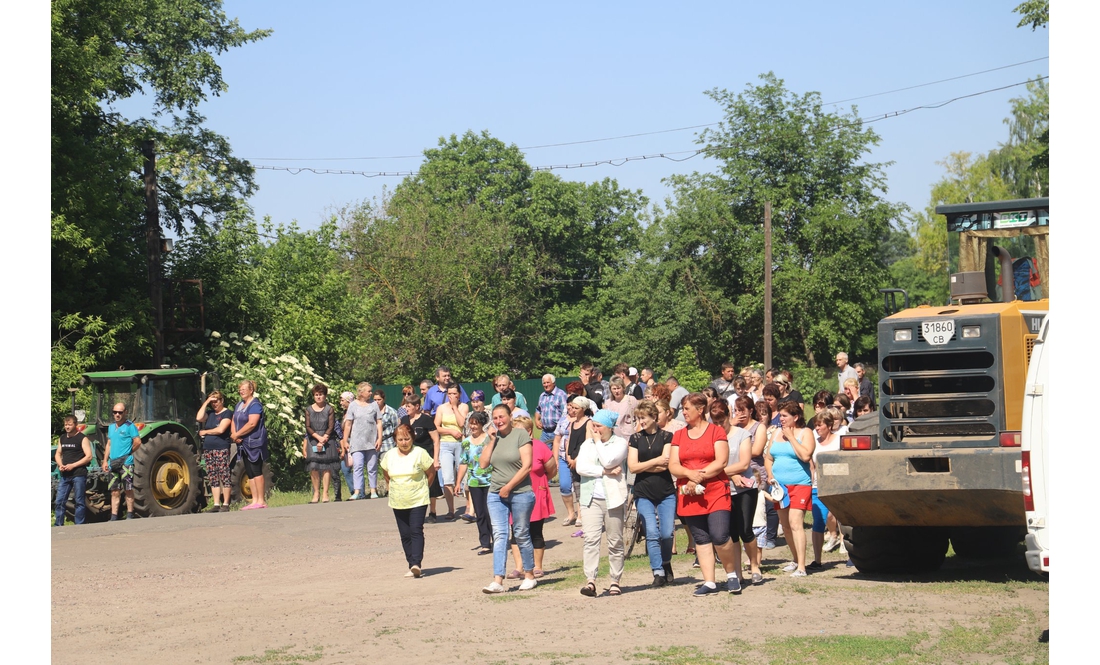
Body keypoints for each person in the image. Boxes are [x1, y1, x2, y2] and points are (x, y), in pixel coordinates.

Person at [668, 393, 740, 595]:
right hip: (690, 492)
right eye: (682, 408)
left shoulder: (716, 432)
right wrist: (688, 475)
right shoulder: (679, 435)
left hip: (715, 490)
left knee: (720, 535)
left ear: (700, 410)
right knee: (701, 537)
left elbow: (721, 462)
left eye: (687, 408)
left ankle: (732, 574)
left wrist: (697, 477)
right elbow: (673, 464)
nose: (683, 412)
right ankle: (709, 581)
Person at [480, 404, 538, 594]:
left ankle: (529, 575)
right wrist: (491, 441)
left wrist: (509, 487)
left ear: (509, 416)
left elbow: (527, 466)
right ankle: (498, 580)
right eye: (495, 418)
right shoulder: (494, 439)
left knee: (521, 532)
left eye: (501, 417)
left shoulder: (520, 435)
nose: (498, 421)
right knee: (499, 535)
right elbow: (483, 464)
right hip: (496, 494)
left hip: (520, 492)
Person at [576, 409, 629, 597]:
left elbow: (608, 460)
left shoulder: (620, 443)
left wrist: (598, 442)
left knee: (615, 541)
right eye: (593, 426)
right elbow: (581, 467)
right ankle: (590, 580)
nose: (595, 429)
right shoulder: (586, 445)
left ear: (609, 427)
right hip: (590, 499)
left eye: (598, 426)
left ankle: (615, 580)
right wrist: (604, 472)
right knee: (591, 539)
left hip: (613, 499)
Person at [627, 401, 676, 587]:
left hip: (665, 491)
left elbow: (666, 464)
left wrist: (644, 466)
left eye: (643, 418)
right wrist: (655, 461)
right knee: (652, 533)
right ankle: (657, 572)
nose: (640, 422)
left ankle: (665, 563)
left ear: (654, 417)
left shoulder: (667, 436)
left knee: (666, 533)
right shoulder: (635, 439)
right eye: (638, 418)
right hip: (643, 492)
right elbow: (632, 467)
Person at [765, 402, 815, 576]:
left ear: (796, 417)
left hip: (800, 484)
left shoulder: (806, 432)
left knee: (795, 523)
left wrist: (791, 437)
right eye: (780, 415)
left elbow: (805, 455)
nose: (781, 419)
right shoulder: (776, 433)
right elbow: (768, 457)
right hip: (780, 487)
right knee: (785, 525)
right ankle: (795, 559)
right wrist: (770, 475)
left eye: (785, 416)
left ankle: (802, 566)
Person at [380, 424, 435, 578]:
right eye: (400, 439)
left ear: (412, 438)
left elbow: (431, 472)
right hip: (398, 500)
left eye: (407, 439)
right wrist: (391, 487)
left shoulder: (420, 453)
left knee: (416, 530)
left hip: (418, 498)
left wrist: (424, 488)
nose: (404, 442)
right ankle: (411, 565)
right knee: (405, 534)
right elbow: (386, 473)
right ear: (395, 440)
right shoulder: (389, 455)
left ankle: (417, 562)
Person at [508, 414, 555, 578]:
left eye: (519, 432)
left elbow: (552, 469)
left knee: (535, 531)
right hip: (515, 494)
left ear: (529, 432)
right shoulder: (510, 447)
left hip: (536, 492)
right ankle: (518, 567)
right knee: (516, 531)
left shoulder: (540, 447)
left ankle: (537, 566)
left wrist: (542, 481)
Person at [725, 396, 762, 586]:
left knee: (746, 529)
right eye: (736, 410)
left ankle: (754, 566)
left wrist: (726, 473)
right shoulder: (716, 435)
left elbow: (746, 462)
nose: (739, 414)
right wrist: (730, 476)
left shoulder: (742, 434)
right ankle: (738, 573)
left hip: (746, 487)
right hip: (725, 488)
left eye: (742, 410)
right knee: (732, 534)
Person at [400, 396, 443, 522]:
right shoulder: (404, 419)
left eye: (409, 406)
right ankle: (412, 511)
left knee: (430, 484)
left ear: (417, 407)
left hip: (426, 455)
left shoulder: (426, 420)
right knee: (411, 483)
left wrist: (435, 459)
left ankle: (433, 512)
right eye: (405, 406)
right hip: (409, 457)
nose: (406, 408)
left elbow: (436, 440)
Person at [457, 410, 493, 553]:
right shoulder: (466, 442)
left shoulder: (490, 439)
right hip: (474, 482)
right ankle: (485, 543)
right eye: (470, 424)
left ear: (482, 424)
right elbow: (463, 462)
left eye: (475, 424)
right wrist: (458, 482)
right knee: (480, 513)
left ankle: (498, 540)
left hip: (490, 480)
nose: (472, 427)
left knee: (491, 512)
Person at [810, 410, 842, 567]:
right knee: (818, 521)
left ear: (829, 425)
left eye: (820, 425)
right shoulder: (814, 442)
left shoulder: (839, 441)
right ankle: (817, 560)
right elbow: (811, 464)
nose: (817, 428)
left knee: (842, 520)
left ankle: (848, 552)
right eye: (815, 425)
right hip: (818, 486)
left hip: (837, 487)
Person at [231, 380, 269, 510]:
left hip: (254, 442)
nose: (241, 391)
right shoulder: (239, 405)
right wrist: (234, 434)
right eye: (240, 389)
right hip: (242, 443)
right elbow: (234, 419)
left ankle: (261, 500)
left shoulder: (255, 404)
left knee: (256, 469)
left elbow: (252, 423)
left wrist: (238, 434)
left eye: (243, 389)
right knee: (249, 471)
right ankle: (254, 500)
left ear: (251, 390)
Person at [343, 382, 383, 500]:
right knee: (358, 466)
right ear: (361, 392)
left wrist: (379, 438)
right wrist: (345, 440)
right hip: (357, 441)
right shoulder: (353, 405)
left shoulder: (374, 405)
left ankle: (373, 490)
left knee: (372, 467)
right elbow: (348, 424)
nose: (371, 393)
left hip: (371, 440)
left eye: (371, 391)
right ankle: (357, 491)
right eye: (368, 391)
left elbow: (379, 422)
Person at [434, 383, 468, 520]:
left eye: (454, 393)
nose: (452, 396)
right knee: (448, 477)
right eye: (449, 394)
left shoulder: (463, 406)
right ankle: (451, 510)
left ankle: (469, 508)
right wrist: (450, 431)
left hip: (460, 443)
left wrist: (454, 407)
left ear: (459, 394)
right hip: (445, 444)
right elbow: (436, 426)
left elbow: (462, 423)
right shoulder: (441, 408)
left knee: (464, 476)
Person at [102, 401, 141, 520]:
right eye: (115, 412)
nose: (117, 414)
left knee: (128, 489)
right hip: (113, 462)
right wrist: (105, 461)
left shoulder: (130, 426)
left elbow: (138, 442)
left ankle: (130, 514)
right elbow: (109, 444)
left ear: (125, 412)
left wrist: (129, 452)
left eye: (120, 412)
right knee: (114, 490)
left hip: (126, 463)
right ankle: (114, 516)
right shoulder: (111, 427)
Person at [196, 391, 232, 512]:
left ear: (222, 400)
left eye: (216, 401)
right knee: (213, 476)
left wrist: (205, 432)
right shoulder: (210, 413)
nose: (214, 404)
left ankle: (226, 503)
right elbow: (199, 417)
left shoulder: (227, 413)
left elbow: (221, 429)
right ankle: (216, 504)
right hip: (208, 449)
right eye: (212, 402)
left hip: (221, 448)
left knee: (224, 475)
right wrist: (206, 402)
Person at [552, 394, 584, 527]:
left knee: (580, 488)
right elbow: (557, 439)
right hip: (564, 458)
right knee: (565, 486)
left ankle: (581, 515)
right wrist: (555, 459)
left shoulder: (584, 421)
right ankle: (571, 513)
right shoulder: (563, 420)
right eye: (569, 405)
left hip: (579, 459)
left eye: (573, 406)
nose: (570, 408)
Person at [304, 384, 339, 503]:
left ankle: (325, 493)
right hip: (313, 438)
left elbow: (331, 426)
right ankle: (316, 493)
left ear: (325, 395)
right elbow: (307, 426)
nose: (318, 397)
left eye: (321, 395)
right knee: (313, 467)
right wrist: (318, 438)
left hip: (327, 439)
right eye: (316, 395)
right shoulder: (309, 409)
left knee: (326, 467)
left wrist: (324, 438)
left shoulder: (329, 409)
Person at [564, 396, 594, 538]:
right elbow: (569, 440)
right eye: (572, 407)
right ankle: (583, 522)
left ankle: (589, 525)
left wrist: (577, 459)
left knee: (586, 493)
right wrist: (569, 457)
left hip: (582, 462)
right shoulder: (572, 423)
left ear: (583, 409)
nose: (573, 410)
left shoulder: (588, 423)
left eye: (576, 408)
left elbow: (588, 443)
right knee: (578, 493)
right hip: (572, 463)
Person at [54, 415, 93, 525]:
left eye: (70, 425)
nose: (67, 427)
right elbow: (58, 453)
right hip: (65, 475)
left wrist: (73, 465)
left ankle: (79, 525)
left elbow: (89, 456)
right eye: (66, 425)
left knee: (79, 501)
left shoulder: (82, 438)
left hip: (78, 474)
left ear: (75, 425)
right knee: (60, 501)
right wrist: (60, 464)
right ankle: (58, 525)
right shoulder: (62, 438)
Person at [534, 374, 567, 449]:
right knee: (541, 452)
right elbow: (538, 409)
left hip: (557, 431)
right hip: (545, 432)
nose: (546, 385)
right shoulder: (542, 396)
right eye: (544, 383)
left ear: (553, 383)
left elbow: (565, 414)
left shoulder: (561, 395)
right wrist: (536, 420)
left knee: (558, 455)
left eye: (548, 382)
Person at [605, 376, 638, 441]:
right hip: (614, 438)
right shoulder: (608, 403)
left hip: (629, 437)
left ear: (623, 388)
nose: (616, 391)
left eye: (618, 388)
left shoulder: (631, 400)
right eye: (614, 389)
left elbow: (639, 416)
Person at [336, 391, 354, 500]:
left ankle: (358, 493)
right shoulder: (345, 413)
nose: (341, 403)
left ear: (348, 401)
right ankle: (354, 491)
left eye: (342, 400)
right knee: (345, 468)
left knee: (356, 468)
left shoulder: (354, 412)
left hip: (354, 442)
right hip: (346, 443)